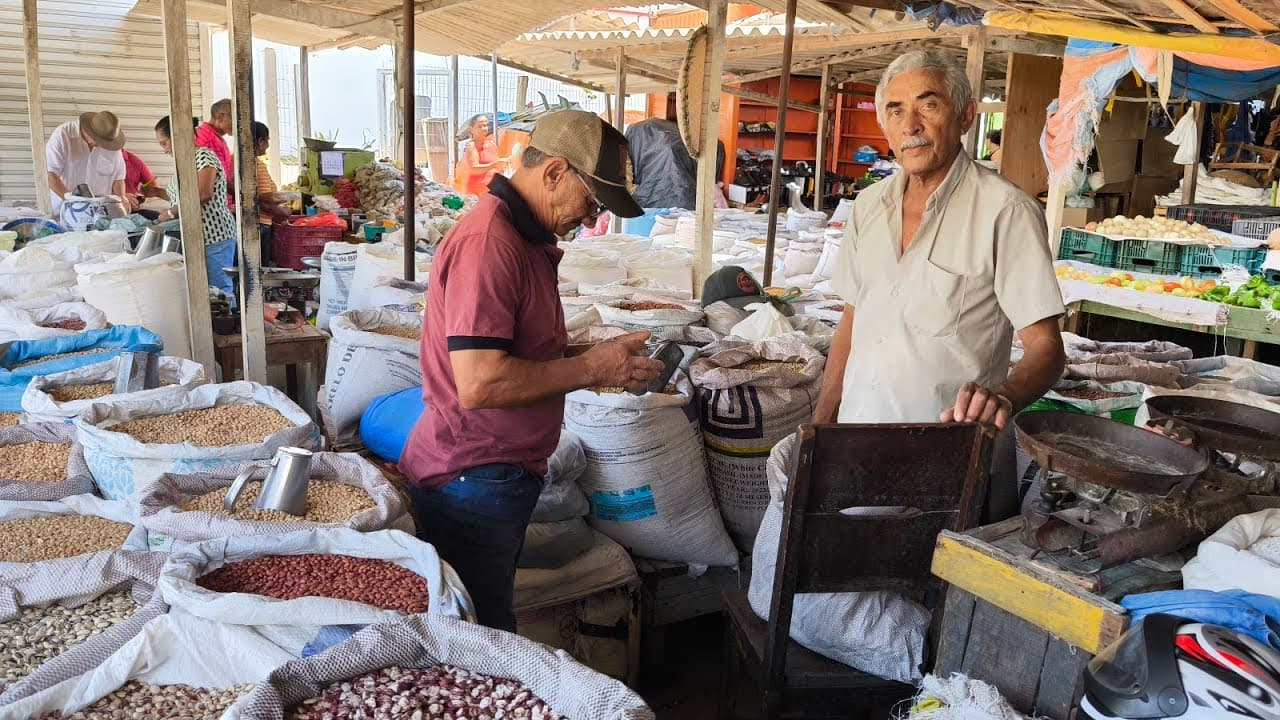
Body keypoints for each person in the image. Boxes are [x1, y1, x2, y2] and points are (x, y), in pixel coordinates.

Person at [400, 109, 663, 631]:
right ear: (555, 172)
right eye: (592, 202)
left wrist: (597, 357)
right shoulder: (490, 245)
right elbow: (481, 381)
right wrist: (590, 367)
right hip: (472, 475)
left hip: (491, 472)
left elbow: (516, 352)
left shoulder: (520, 238)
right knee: (481, 636)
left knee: (483, 621)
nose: (589, 219)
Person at [813, 49, 1066, 520]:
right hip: (855, 442)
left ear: (966, 115)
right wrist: (821, 426)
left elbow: (1047, 348)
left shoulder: (1005, 211)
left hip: (944, 462)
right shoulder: (867, 207)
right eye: (895, 110)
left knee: (930, 567)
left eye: (928, 105)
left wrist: (1003, 396)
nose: (910, 125)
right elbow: (852, 319)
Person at [153, 115, 239, 304]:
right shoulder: (185, 162)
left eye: (164, 143)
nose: (165, 150)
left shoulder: (203, 156)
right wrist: (155, 192)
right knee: (205, 292)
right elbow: (181, 197)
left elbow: (203, 194)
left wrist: (171, 213)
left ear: (178, 136)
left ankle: (231, 320)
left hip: (214, 236)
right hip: (198, 237)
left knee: (219, 290)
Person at [45, 111, 131, 213]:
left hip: (100, 213)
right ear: (90, 131)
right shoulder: (62, 135)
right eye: (100, 141)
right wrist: (73, 202)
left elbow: (118, 177)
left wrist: (121, 199)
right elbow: (51, 174)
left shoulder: (111, 142)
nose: (103, 145)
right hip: (66, 211)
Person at [251, 121, 291, 264]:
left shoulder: (236, 161)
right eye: (267, 140)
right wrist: (284, 211)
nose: (268, 145)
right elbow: (264, 201)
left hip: (251, 223)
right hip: (261, 224)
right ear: (260, 141)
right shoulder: (258, 165)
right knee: (262, 267)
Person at [196, 99, 236, 209]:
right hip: (212, 207)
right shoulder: (206, 136)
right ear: (220, 117)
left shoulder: (216, 137)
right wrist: (240, 194)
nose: (238, 124)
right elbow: (217, 175)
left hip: (221, 204)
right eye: (234, 119)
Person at [453, 113, 505, 197]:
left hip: (490, 190)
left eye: (485, 125)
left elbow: (497, 165)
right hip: (475, 193)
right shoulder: (471, 146)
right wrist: (493, 165)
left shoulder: (492, 145)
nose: (484, 128)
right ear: (471, 129)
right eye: (480, 126)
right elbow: (473, 168)